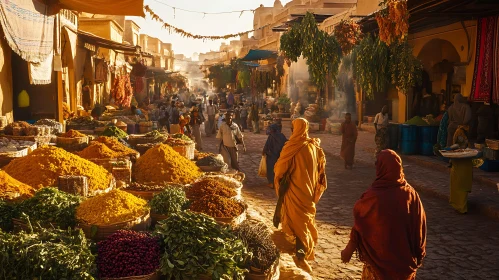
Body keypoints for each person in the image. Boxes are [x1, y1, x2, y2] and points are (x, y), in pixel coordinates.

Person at [341, 150, 427, 280]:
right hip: (403, 266)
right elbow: (420, 227)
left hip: (377, 267)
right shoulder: (411, 194)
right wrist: (418, 254)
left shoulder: (374, 196)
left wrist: (349, 250)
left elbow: (361, 223)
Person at [273, 118, 327, 273]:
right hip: (308, 195)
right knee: (304, 223)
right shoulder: (314, 147)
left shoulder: (291, 147)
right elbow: (321, 171)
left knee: (296, 225)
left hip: (293, 193)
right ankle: (301, 253)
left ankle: (301, 256)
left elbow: (280, 171)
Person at [263, 124, 287, 188]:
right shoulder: (282, 136)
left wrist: (264, 152)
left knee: (271, 169)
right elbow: (286, 143)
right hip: (280, 155)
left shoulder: (271, 136)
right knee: (279, 169)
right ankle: (279, 182)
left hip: (271, 156)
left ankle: (271, 183)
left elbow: (267, 145)